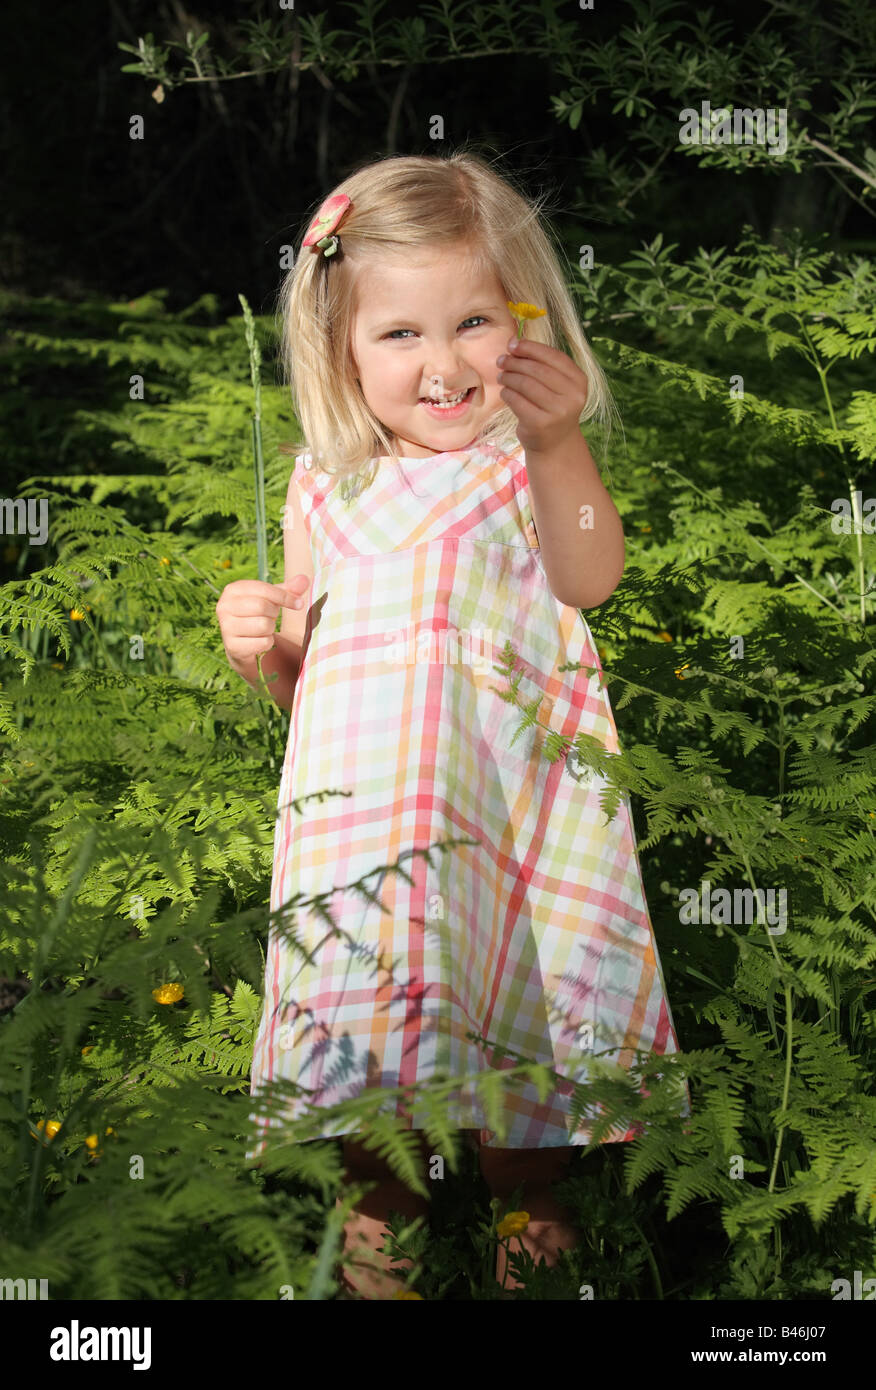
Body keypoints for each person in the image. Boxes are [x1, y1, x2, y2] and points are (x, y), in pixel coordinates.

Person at [216, 150, 690, 1299]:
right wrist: (265, 651)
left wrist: (560, 439)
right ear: (340, 348)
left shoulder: (522, 468)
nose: (441, 366)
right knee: (378, 1157)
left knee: (530, 1146)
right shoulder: (327, 485)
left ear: (526, 323)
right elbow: (318, 699)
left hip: (518, 831)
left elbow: (589, 576)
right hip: (369, 850)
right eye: (399, 335)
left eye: (473, 322)